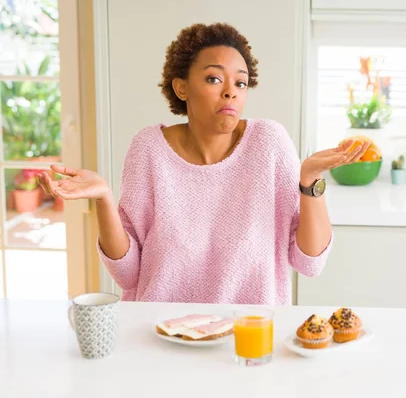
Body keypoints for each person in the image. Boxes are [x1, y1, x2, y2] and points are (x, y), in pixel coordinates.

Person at [37, 22, 369, 305]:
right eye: (214, 79)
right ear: (181, 87)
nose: (231, 92)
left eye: (240, 82)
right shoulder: (149, 147)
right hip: (160, 334)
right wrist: (104, 199)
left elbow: (310, 262)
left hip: (247, 338)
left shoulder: (269, 142)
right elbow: (128, 276)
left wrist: (310, 182)